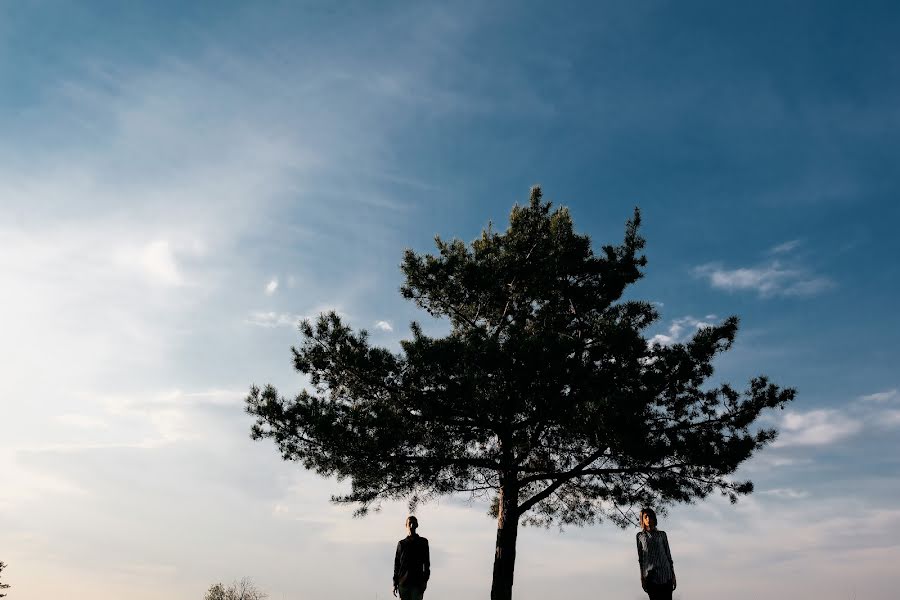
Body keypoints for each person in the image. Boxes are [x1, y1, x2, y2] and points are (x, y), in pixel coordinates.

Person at [636, 507, 676, 600]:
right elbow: (641, 559)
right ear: (642, 520)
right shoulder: (640, 536)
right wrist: (642, 577)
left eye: (650, 516)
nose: (648, 519)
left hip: (666, 575)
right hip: (650, 576)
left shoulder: (662, 534)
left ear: (654, 518)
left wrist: (673, 575)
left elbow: (668, 555)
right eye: (645, 517)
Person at [393, 515, 430, 600]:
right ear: (406, 525)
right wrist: (395, 583)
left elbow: (427, 563)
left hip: (417, 583)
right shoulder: (401, 544)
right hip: (403, 583)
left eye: (414, 523)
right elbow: (397, 565)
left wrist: (425, 581)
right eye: (410, 523)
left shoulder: (423, 542)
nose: (412, 525)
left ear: (417, 525)